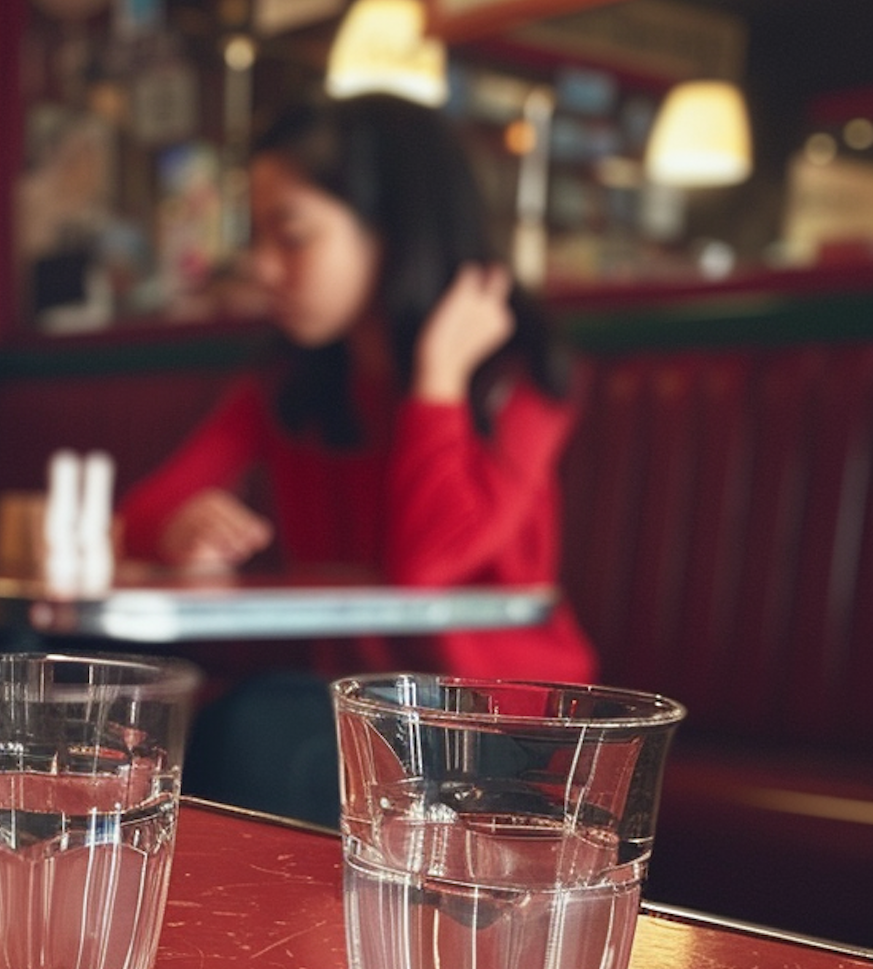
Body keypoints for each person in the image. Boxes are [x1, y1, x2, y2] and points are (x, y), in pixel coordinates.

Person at [118, 92, 596, 825]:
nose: (262, 266)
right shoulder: (292, 381)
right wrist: (181, 527)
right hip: (358, 707)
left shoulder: (518, 376)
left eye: (292, 236)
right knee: (167, 725)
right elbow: (140, 515)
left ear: (393, 234)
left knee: (256, 734)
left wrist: (438, 379)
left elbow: (424, 566)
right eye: (258, 237)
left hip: (506, 725)